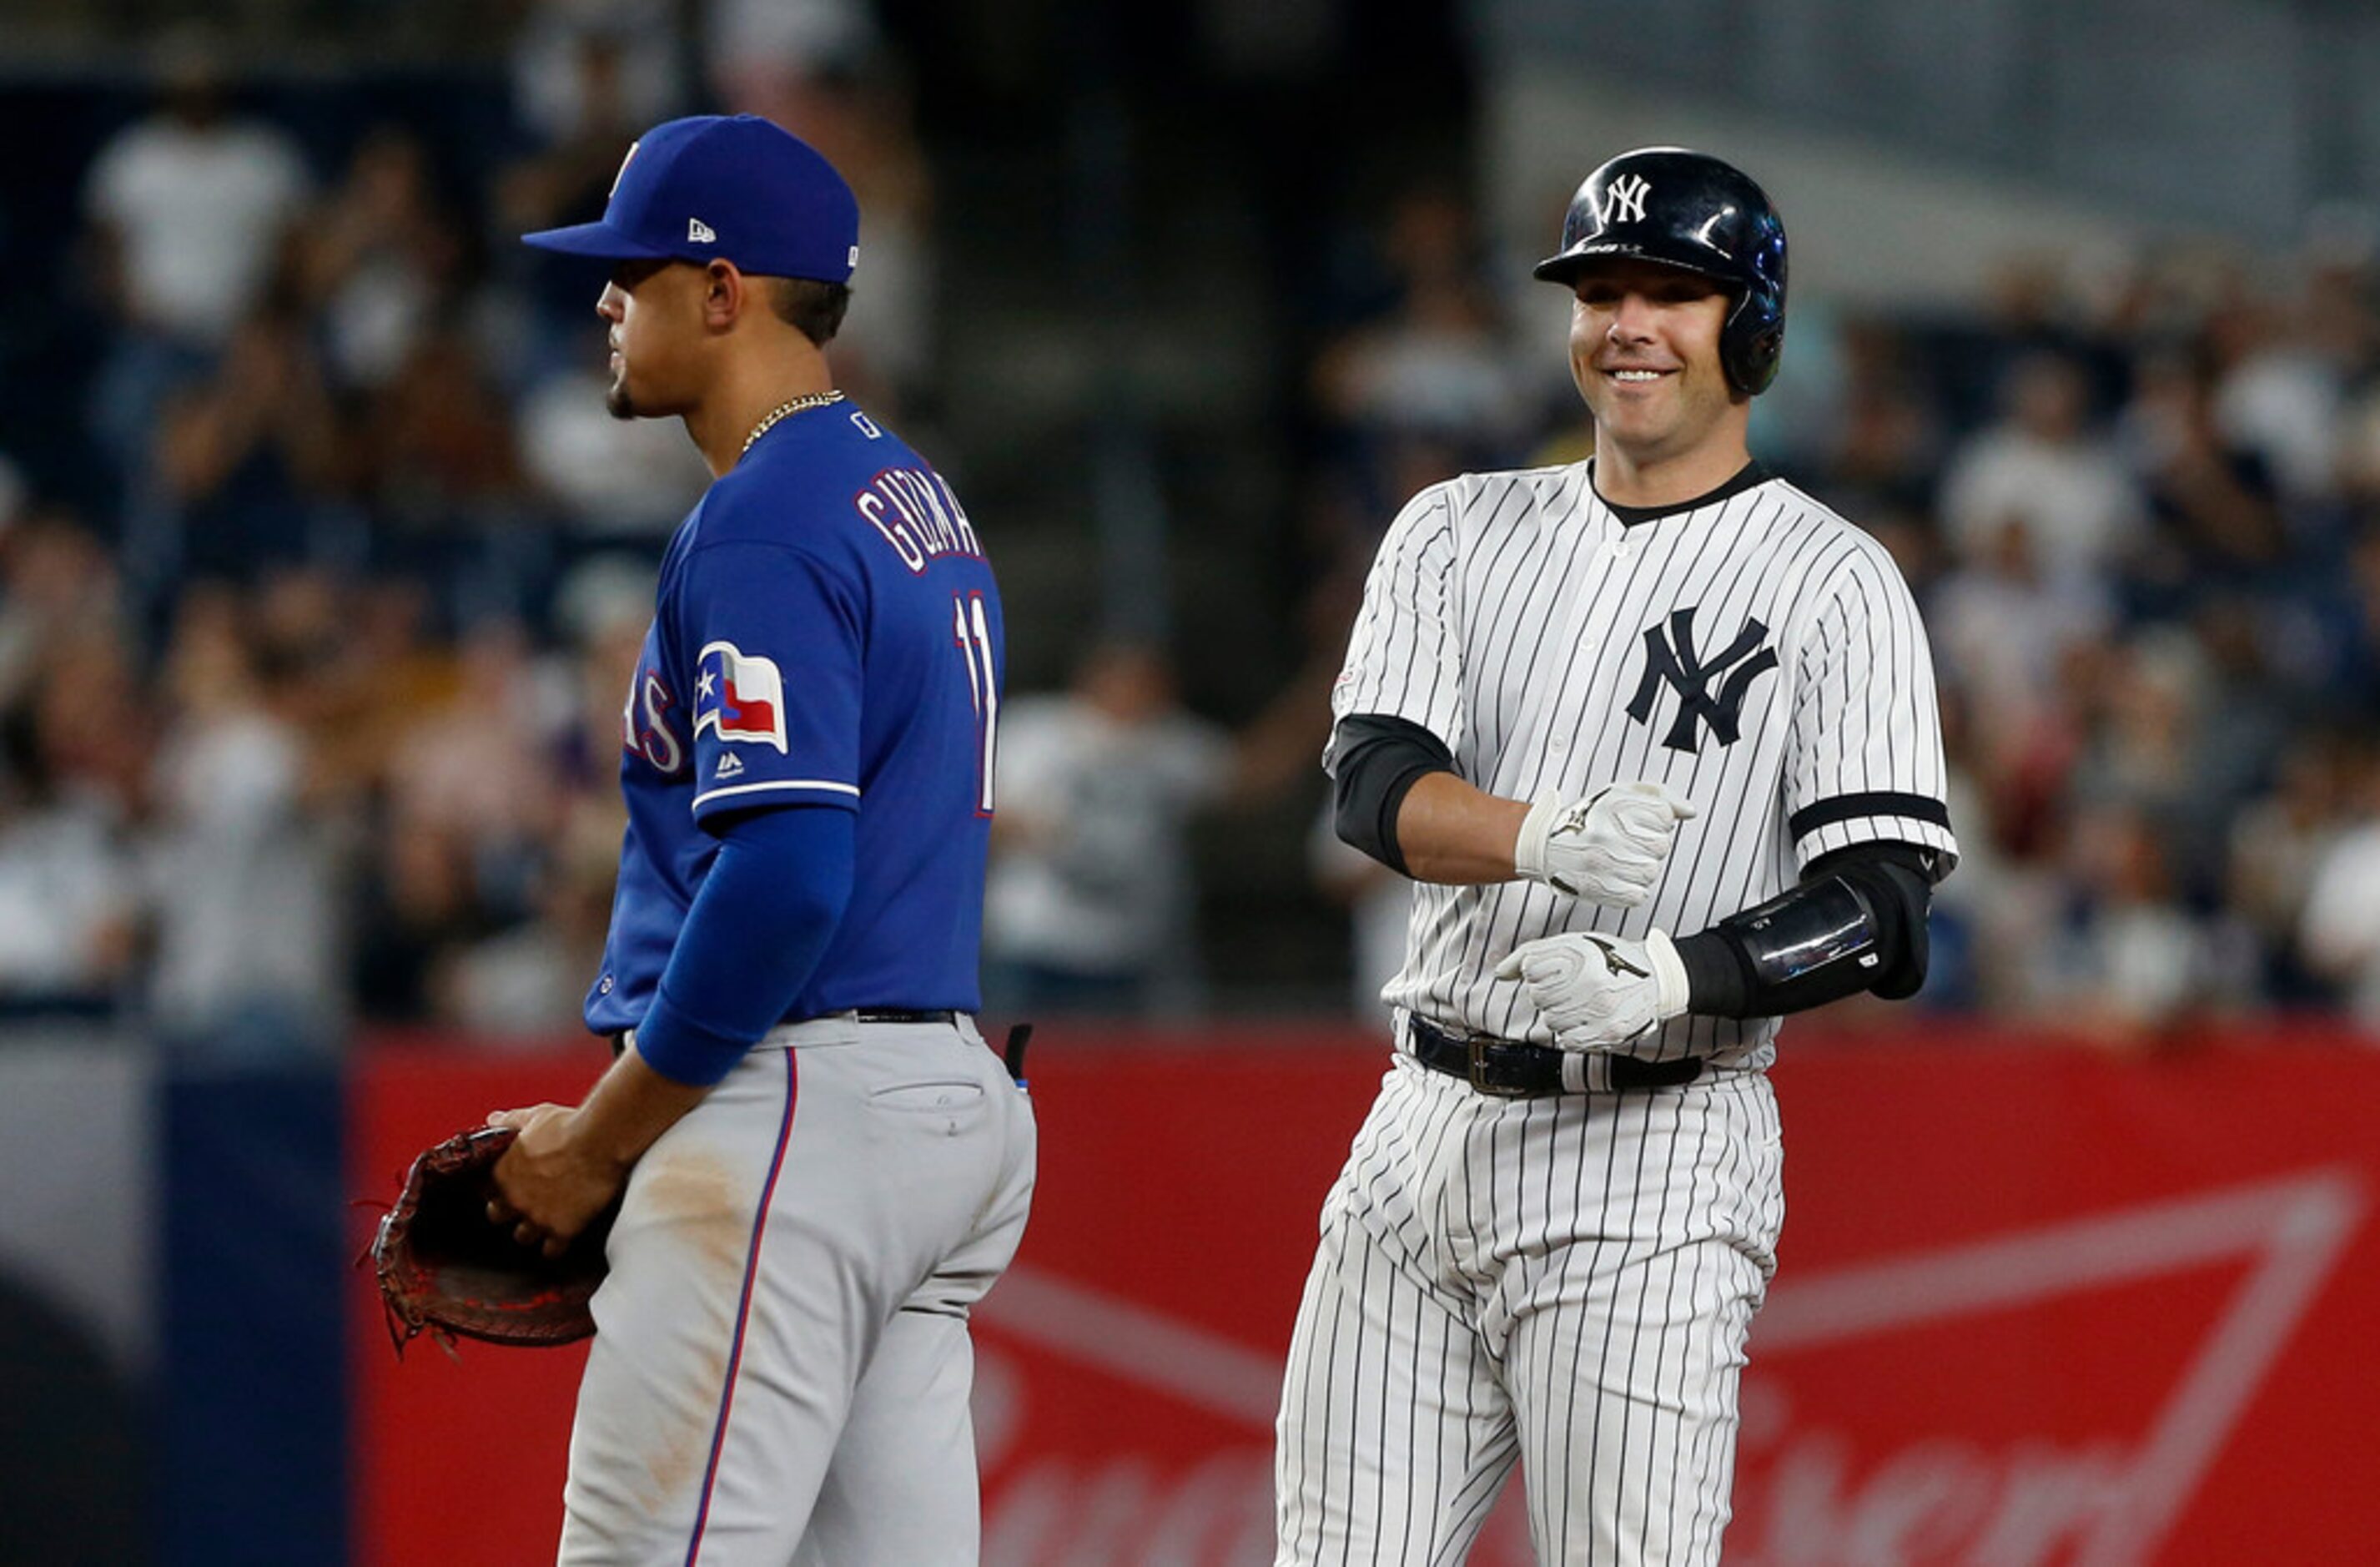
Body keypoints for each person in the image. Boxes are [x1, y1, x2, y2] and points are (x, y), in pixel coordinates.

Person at [1274, 148, 1959, 1564]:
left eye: (1673, 293)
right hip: (1419, 1129)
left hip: (1650, 1145)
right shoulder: (1457, 529)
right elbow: (1369, 786)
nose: (1627, 323)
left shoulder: (1832, 576)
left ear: (1750, 329)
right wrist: (1541, 835)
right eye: (1600, 290)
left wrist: (1672, 974)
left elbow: (1882, 911)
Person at [482, 114, 1035, 1563]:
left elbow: (786, 875)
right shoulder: (902, 488)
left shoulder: (764, 519)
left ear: (724, 293)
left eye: (637, 270)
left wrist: (597, 1141)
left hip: (798, 1104)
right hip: (937, 1096)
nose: (605, 298)